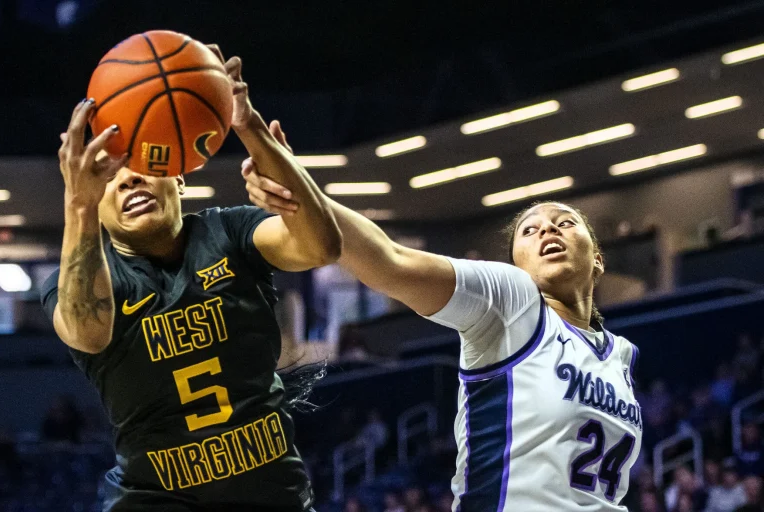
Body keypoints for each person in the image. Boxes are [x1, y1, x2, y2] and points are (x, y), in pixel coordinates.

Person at [243, 126, 643, 510]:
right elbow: (392, 261)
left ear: (598, 259)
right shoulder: (514, 303)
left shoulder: (620, 356)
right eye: (529, 230)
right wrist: (303, 193)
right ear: (516, 266)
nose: (548, 228)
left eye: (566, 222)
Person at [40, 47, 342, 512]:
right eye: (110, 178)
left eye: (140, 165)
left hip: (275, 497)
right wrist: (78, 203)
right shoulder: (85, 279)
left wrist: (247, 123)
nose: (128, 181)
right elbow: (86, 331)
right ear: (97, 206)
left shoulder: (230, 232)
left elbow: (320, 247)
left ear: (178, 175)